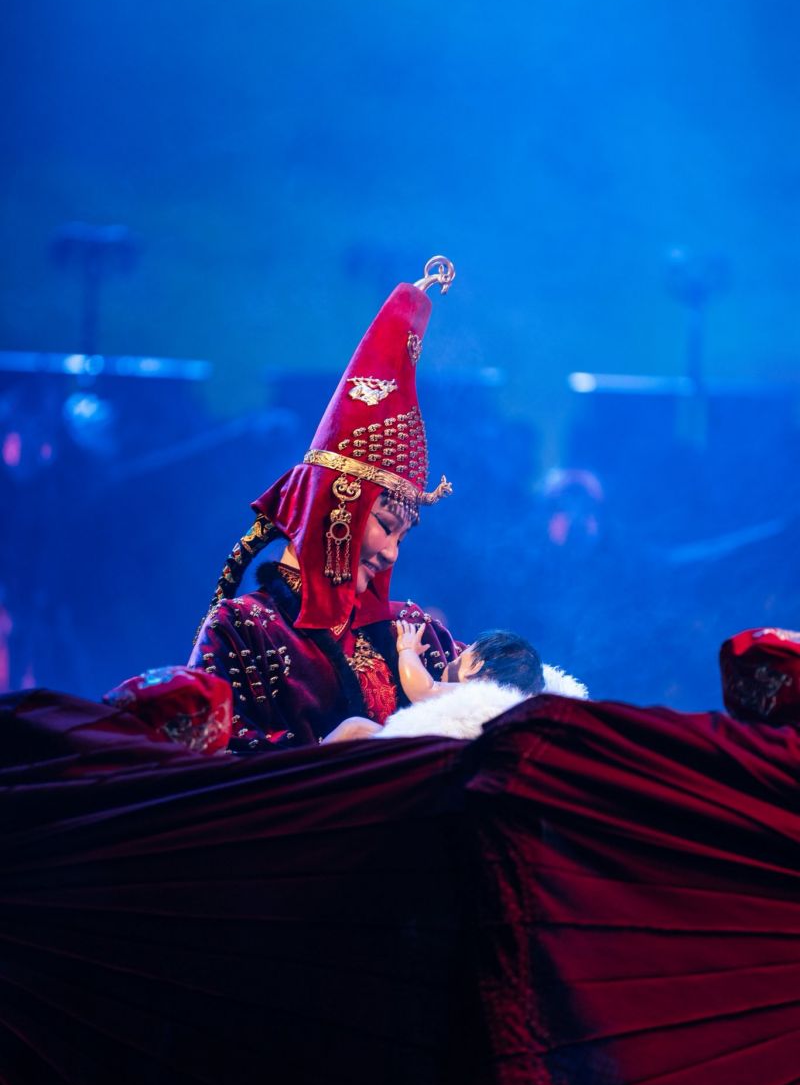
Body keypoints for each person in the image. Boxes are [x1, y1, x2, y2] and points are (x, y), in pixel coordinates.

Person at [188, 258, 463, 751]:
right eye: (385, 526)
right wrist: (322, 756)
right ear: (336, 511)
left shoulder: (412, 630)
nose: (393, 553)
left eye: (403, 537)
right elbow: (202, 758)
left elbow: (504, 698)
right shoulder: (243, 630)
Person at [359, 621, 587, 742]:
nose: (454, 656)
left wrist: (407, 650)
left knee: (355, 728)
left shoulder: (475, 696)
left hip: (416, 752)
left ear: (477, 666)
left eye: (460, 657)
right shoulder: (510, 713)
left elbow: (422, 690)